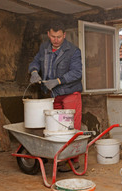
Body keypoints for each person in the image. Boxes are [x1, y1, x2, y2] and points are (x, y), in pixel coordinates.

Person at [28, 20, 82, 172]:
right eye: (53, 36)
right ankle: (61, 157)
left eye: (59, 37)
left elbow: (77, 73)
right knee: (56, 127)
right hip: (53, 94)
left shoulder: (73, 51)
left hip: (70, 93)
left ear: (64, 35)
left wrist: (58, 81)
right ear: (48, 34)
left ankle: (73, 159)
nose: (56, 40)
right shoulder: (44, 47)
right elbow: (36, 61)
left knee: (70, 127)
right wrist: (33, 71)